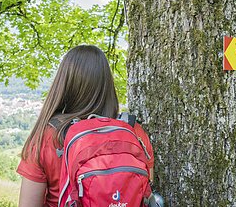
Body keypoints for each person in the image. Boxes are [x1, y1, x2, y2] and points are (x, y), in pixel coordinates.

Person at [17, 45, 154, 207]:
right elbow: (146, 191)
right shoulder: (132, 131)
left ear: (64, 83)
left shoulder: (47, 136)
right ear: (106, 84)